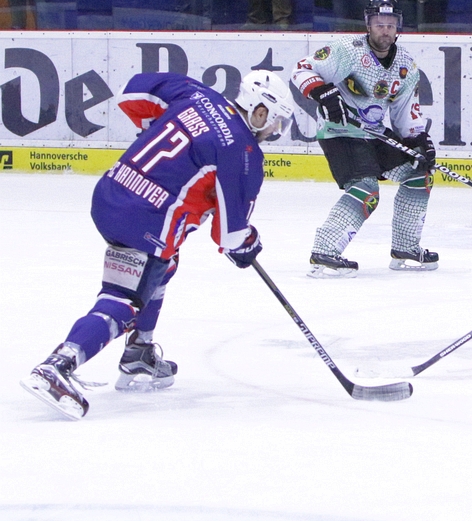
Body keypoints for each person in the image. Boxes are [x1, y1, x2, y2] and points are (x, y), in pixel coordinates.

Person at [19, 70, 294, 420]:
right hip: (147, 221)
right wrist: (249, 244)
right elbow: (231, 237)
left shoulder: (198, 95)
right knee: (123, 299)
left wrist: (153, 129)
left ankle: (140, 353)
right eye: (276, 120)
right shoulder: (244, 153)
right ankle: (58, 365)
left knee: (165, 265)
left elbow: (132, 90)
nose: (275, 129)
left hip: (110, 193)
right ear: (259, 111)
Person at [293, 0, 438, 278]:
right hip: (340, 130)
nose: (385, 30)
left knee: (418, 173)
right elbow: (302, 69)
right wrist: (322, 93)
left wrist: (418, 140)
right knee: (366, 189)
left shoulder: (406, 65)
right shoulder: (347, 50)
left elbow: (405, 113)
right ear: (368, 25)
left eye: (390, 25)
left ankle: (406, 247)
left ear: (398, 27)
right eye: (379, 24)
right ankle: (325, 251)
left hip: (373, 132)